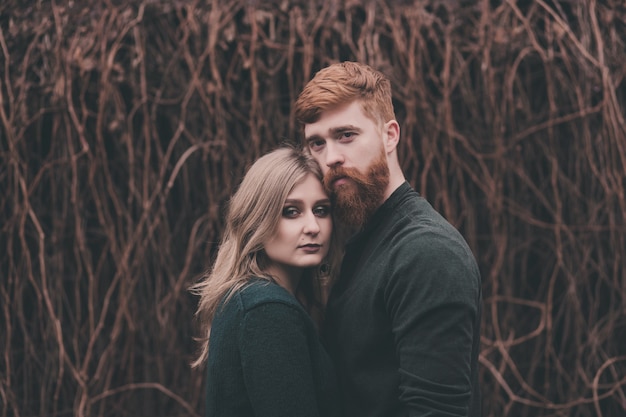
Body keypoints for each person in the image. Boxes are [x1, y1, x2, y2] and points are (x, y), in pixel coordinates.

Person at [295, 61, 482, 417]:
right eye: (316, 143)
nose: (331, 157)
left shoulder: (426, 253)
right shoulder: (363, 241)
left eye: (346, 135)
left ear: (390, 135)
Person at [191, 146, 342, 417]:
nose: (313, 226)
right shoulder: (267, 309)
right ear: (257, 220)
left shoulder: (248, 298)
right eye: (291, 212)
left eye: (321, 210)